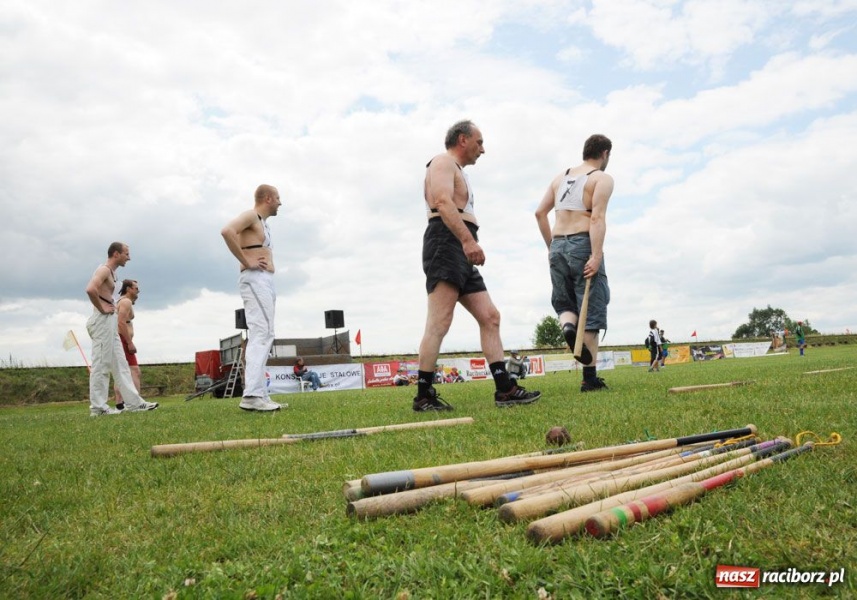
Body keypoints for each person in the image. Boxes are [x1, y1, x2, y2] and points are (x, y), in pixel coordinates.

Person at [415, 120, 541, 410]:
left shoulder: (458, 170)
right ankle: (423, 396)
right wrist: (467, 241)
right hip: (446, 243)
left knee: (490, 316)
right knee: (439, 321)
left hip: (459, 246)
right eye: (479, 142)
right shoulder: (442, 162)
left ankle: (505, 389)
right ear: (463, 139)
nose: (483, 149)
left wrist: (468, 242)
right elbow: (443, 203)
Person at [535, 134, 614, 392]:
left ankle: (568, 326)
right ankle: (589, 380)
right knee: (590, 307)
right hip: (582, 243)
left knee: (565, 302)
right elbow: (596, 218)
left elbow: (539, 213)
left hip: (558, 243)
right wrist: (596, 255)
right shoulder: (601, 179)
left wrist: (551, 247)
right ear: (604, 154)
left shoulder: (560, 178)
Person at [221, 184, 285, 411]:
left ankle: (260, 394)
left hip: (265, 280)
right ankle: (251, 396)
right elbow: (227, 231)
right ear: (268, 198)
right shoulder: (251, 215)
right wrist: (247, 261)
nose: (280, 202)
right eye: (278, 198)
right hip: (254, 278)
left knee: (266, 332)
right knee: (262, 332)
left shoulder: (264, 224)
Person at [84, 243, 159, 416]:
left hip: (109, 322)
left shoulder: (112, 273)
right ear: (116, 254)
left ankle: (134, 403)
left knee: (121, 364)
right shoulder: (104, 270)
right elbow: (90, 289)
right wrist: (102, 308)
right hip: (101, 321)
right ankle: (98, 408)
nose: (129, 257)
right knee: (101, 365)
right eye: (126, 253)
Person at [113, 279, 141, 410]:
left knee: (122, 371)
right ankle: (137, 401)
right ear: (128, 289)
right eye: (136, 288)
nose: (138, 291)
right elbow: (121, 322)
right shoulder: (126, 301)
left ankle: (120, 403)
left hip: (121, 338)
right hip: (123, 339)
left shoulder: (121, 301)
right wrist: (129, 342)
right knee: (134, 371)